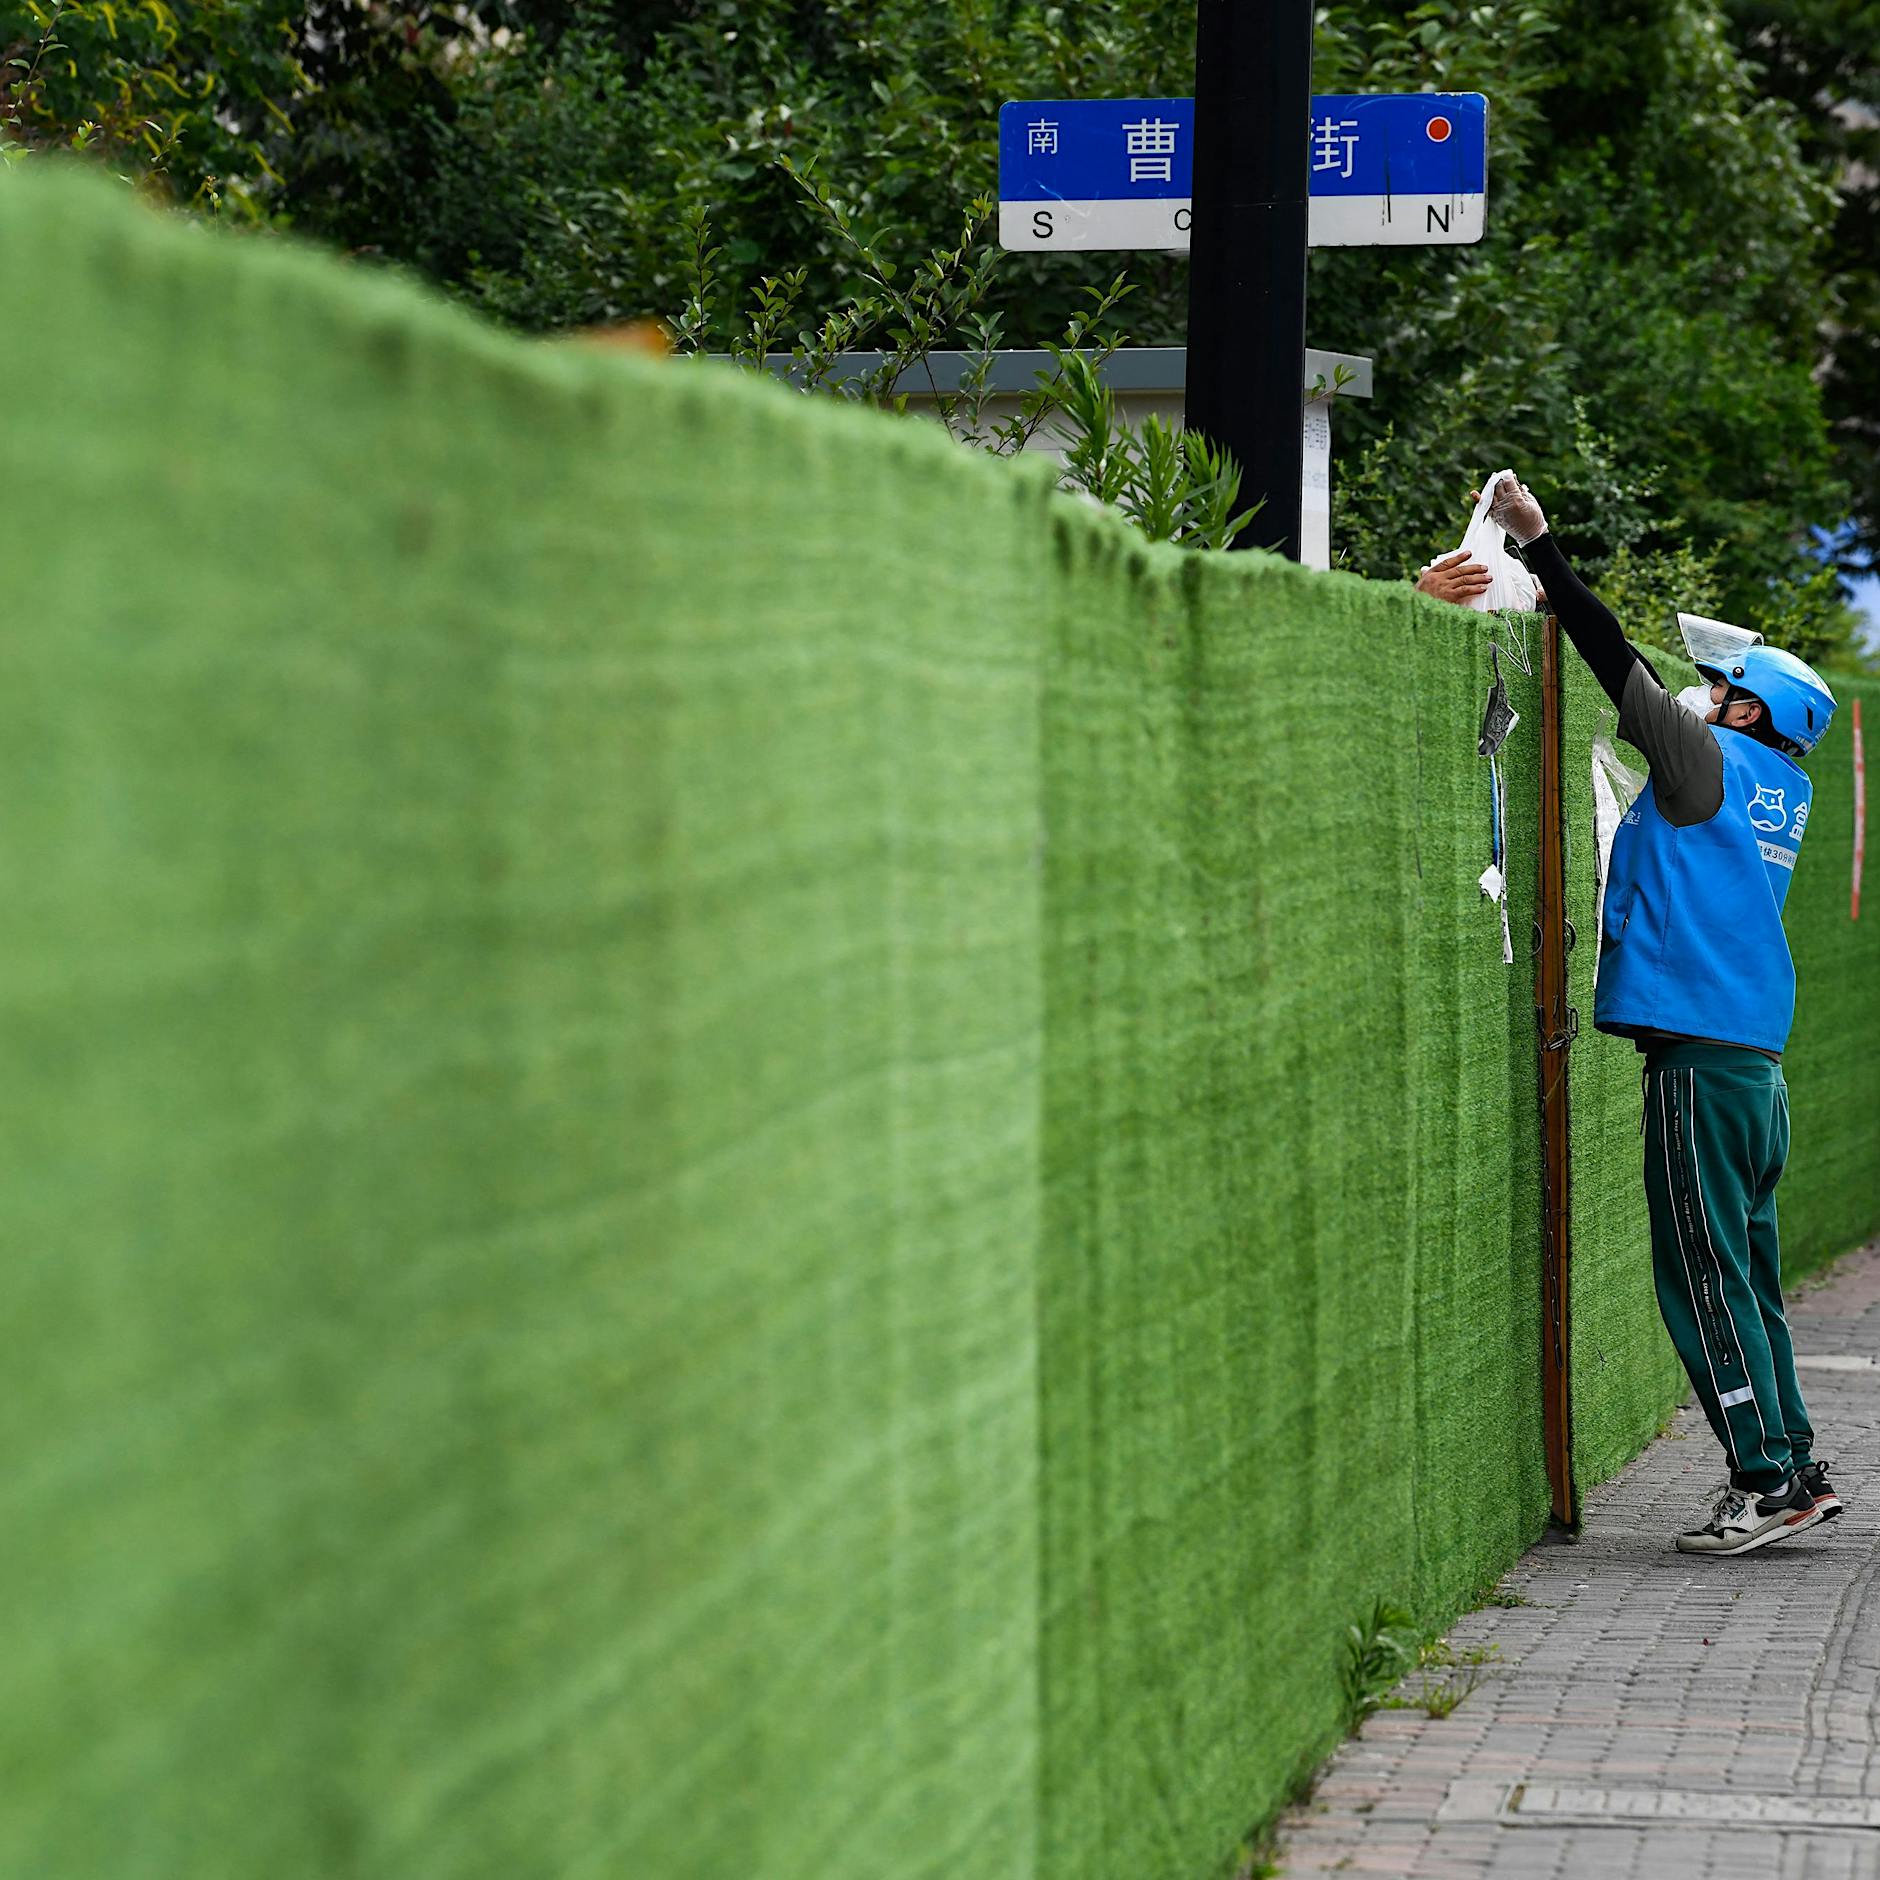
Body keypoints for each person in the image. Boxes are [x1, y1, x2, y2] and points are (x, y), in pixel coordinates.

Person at [1484, 477, 1844, 1557]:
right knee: (1747, 1275)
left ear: (1745, 713)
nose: (1696, 694)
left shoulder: (1704, 763)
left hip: (1697, 1057)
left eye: (1717, 686)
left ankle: (1761, 1480)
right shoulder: (1776, 784)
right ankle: (1794, 1464)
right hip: (1750, 1063)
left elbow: (1609, 659)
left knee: (1699, 1276)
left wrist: (1539, 551)